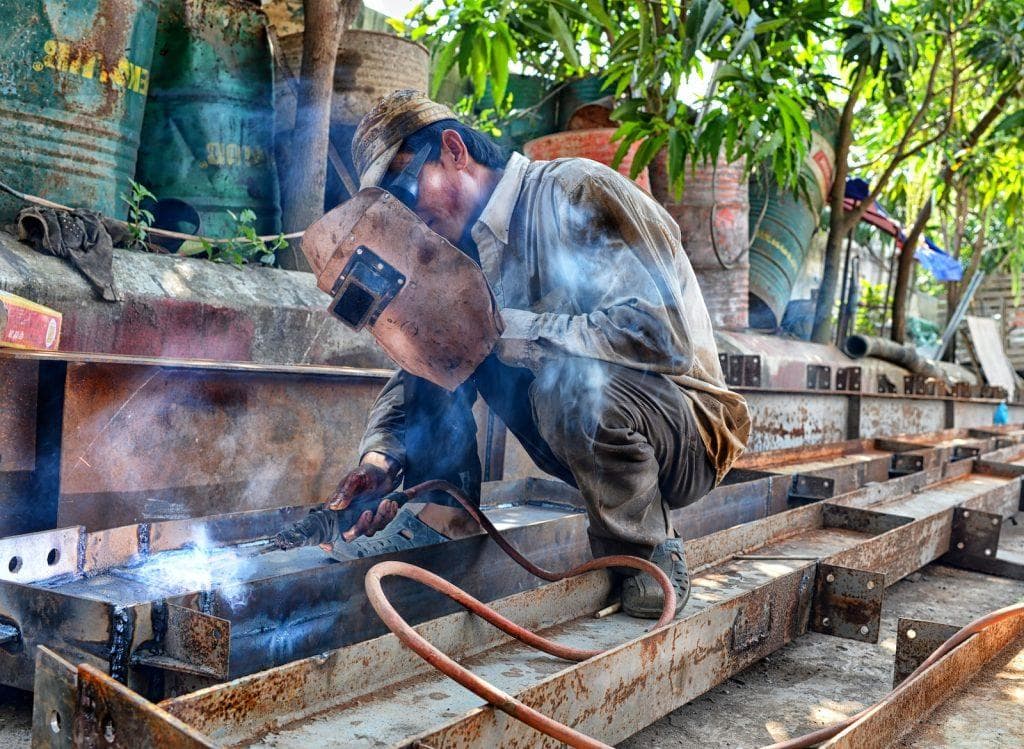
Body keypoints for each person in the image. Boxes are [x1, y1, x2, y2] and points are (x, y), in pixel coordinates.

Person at [286, 90, 750, 618]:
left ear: (454, 151)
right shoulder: (458, 254)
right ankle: (444, 519)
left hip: (685, 427)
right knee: (441, 334)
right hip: (586, 432)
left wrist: (502, 329)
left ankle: (646, 553)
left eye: (404, 188)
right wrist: (382, 458)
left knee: (563, 380)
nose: (405, 213)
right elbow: (422, 368)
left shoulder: (576, 190)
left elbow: (660, 336)